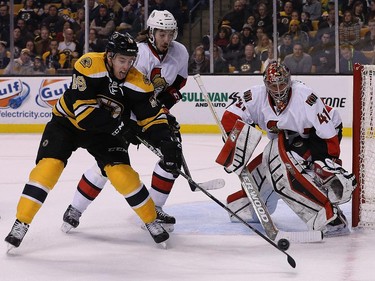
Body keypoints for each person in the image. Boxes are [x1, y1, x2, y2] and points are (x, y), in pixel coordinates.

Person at [4, 31, 182, 249]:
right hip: (67, 124)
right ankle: (21, 221)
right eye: (121, 60)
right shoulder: (88, 65)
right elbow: (85, 115)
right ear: (109, 56)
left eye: (130, 61)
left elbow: (151, 118)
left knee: (122, 174)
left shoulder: (139, 82)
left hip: (103, 134)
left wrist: (166, 141)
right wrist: (122, 128)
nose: (126, 66)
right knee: (49, 167)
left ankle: (150, 219)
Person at [61, 10, 189, 233]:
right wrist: (131, 122)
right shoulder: (136, 54)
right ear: (151, 33)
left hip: (151, 112)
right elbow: (121, 93)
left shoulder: (181, 52)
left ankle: (154, 208)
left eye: (170, 34)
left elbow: (178, 83)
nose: (166, 39)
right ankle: (75, 209)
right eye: (161, 34)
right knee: (107, 165)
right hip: (124, 115)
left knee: (171, 154)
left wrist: (162, 109)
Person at [220, 61, 356, 236]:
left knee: (285, 166)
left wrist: (327, 161)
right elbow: (230, 116)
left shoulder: (305, 97)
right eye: (272, 85)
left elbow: (327, 133)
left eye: (282, 84)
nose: (277, 89)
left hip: (318, 136)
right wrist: (233, 144)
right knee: (270, 161)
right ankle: (248, 204)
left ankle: (329, 217)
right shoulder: (255, 96)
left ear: (289, 80)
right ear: (265, 84)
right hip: (288, 139)